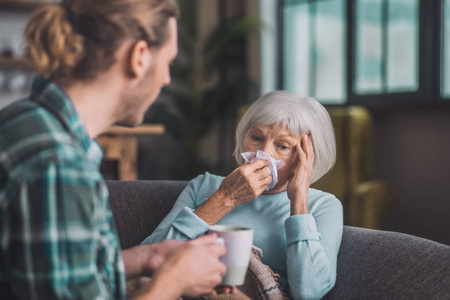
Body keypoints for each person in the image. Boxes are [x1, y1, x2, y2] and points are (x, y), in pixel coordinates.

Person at [0, 0, 233, 299]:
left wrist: (149, 257)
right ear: (138, 57)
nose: (167, 79)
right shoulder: (58, 165)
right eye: (168, 63)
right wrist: (174, 280)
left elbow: (60, 269)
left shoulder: (26, 120)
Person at [142, 90, 344, 300]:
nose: (263, 153)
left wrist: (299, 201)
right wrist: (224, 198)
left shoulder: (324, 206)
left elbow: (308, 293)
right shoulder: (204, 185)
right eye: (256, 138)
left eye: (282, 146)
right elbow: (147, 260)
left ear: (305, 158)